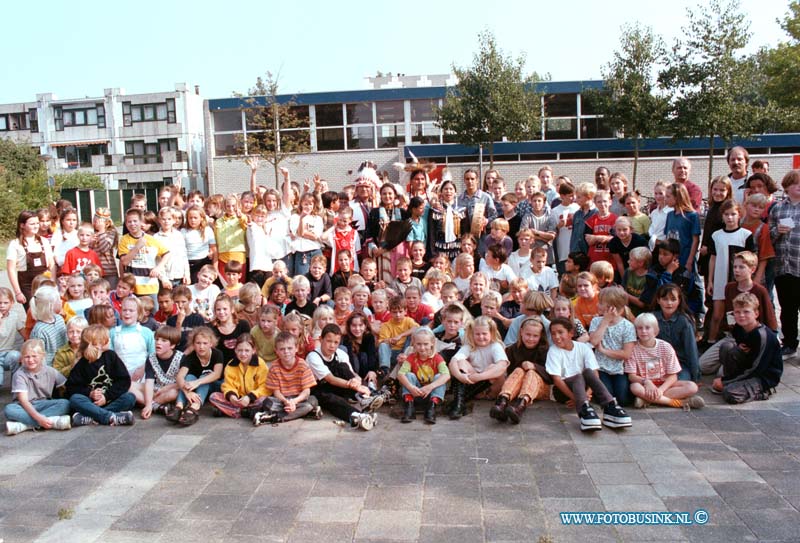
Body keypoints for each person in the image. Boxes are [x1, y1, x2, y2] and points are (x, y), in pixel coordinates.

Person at [546, 317, 631, 431]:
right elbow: (557, 380)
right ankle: (583, 409)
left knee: (587, 372)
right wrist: (578, 399)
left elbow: (595, 373)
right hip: (564, 391)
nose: (556, 337)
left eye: (560, 332)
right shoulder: (553, 351)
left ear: (571, 333)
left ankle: (609, 406)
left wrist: (586, 394)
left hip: (583, 390)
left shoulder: (583, 347)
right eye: (553, 334)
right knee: (578, 376)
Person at [306, 324, 378, 430]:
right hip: (320, 389)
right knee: (332, 399)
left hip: (340, 386)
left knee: (342, 366)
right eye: (329, 341)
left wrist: (357, 381)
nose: (332, 346)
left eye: (336, 342)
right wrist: (355, 386)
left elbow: (350, 373)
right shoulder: (313, 356)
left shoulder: (340, 353)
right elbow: (331, 379)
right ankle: (357, 416)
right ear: (321, 339)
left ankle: (364, 397)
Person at [713, 293, 783, 404]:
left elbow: (757, 368)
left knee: (730, 393)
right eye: (737, 312)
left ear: (756, 314)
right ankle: (734, 382)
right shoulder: (739, 327)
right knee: (727, 347)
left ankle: (764, 391)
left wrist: (725, 381)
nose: (741, 315)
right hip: (746, 367)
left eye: (746, 312)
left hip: (762, 375)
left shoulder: (762, 336)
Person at [626, 313, 705, 409]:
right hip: (645, 385)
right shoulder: (633, 348)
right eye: (640, 328)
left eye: (647, 328)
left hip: (664, 383)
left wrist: (661, 390)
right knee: (634, 387)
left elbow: (673, 376)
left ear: (656, 330)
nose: (643, 331)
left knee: (692, 386)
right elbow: (631, 376)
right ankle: (677, 402)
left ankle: (647, 400)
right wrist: (646, 382)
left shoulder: (666, 347)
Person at [66, 324, 136, 427]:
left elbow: (124, 381)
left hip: (109, 399)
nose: (109, 340)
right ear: (100, 343)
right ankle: (110, 417)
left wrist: (106, 397)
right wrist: (90, 393)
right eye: (107, 339)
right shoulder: (83, 363)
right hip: (90, 402)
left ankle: (92, 417)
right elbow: (71, 387)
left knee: (130, 398)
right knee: (75, 399)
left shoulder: (111, 356)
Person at [491, 316, 551, 424]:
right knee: (519, 370)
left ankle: (520, 406)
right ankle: (502, 402)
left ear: (540, 336)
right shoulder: (513, 349)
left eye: (535, 336)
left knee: (531, 372)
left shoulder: (545, 350)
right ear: (521, 332)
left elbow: (551, 375)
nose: (531, 338)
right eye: (528, 334)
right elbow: (508, 372)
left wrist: (534, 366)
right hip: (516, 389)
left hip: (538, 388)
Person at [4, 339, 71, 435]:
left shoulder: (50, 371)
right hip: (23, 406)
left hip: (44, 403)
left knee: (65, 404)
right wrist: (39, 418)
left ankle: (25, 425)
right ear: (21, 358)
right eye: (27, 357)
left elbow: (66, 386)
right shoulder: (19, 375)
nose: (30, 360)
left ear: (42, 356)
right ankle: (52, 422)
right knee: (9, 410)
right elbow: (23, 401)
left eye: (34, 356)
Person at [447, 316, 509, 419]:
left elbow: (502, 366)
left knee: (494, 367)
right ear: (472, 334)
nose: (481, 337)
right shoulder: (469, 346)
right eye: (477, 334)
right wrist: (459, 376)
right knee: (461, 362)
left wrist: (479, 377)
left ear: (491, 333)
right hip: (473, 384)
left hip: (492, 387)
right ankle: (459, 404)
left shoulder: (495, 346)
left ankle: (459, 401)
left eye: (484, 334)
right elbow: (453, 362)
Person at [253, 331, 320, 425]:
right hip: (282, 400)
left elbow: (306, 391)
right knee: (267, 403)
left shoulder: (303, 365)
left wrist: (294, 401)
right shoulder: (274, 367)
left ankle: (276, 417)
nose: (286, 352)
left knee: (312, 402)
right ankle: (304, 413)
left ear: (296, 348)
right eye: (282, 349)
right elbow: (276, 392)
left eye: (289, 348)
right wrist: (286, 402)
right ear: (276, 350)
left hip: (299, 399)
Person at [769, 170, 800, 359]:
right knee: (787, 307)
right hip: (783, 266)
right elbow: (769, 236)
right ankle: (789, 342)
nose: (799, 186)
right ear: (787, 186)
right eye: (795, 183)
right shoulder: (777, 209)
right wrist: (777, 231)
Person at [588, 286, 636, 407]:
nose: (598, 305)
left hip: (619, 369)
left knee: (622, 399)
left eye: (601, 303)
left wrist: (603, 350)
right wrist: (605, 321)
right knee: (607, 397)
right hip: (601, 368)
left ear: (611, 307)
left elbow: (626, 354)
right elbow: (594, 341)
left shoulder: (628, 326)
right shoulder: (596, 321)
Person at [167, 327, 224, 426]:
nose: (201, 347)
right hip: (194, 389)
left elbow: (217, 374)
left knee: (204, 375)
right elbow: (180, 377)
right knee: (189, 377)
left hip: (213, 386)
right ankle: (179, 406)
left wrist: (198, 382)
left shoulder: (217, 354)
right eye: (198, 343)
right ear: (193, 344)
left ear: (211, 344)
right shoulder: (190, 357)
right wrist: (187, 392)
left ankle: (194, 407)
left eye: (205, 343)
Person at [208, 334, 270, 419]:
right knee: (213, 396)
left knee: (265, 401)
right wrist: (232, 396)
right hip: (238, 399)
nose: (243, 354)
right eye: (240, 350)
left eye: (247, 350)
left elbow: (265, 387)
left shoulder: (260, 364)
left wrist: (250, 397)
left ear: (253, 350)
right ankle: (245, 412)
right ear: (235, 351)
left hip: (254, 398)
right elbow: (228, 385)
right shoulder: (231, 365)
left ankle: (230, 410)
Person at [397, 327, 450, 424]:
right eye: (419, 344)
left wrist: (430, 387)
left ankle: (432, 408)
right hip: (415, 392)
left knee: (440, 376)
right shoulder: (411, 357)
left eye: (425, 344)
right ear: (414, 344)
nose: (422, 347)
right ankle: (409, 406)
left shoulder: (437, 358)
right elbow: (400, 374)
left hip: (432, 393)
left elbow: (447, 375)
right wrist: (410, 387)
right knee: (408, 375)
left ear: (432, 343)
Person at [118, 208, 171, 299]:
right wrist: (137, 247)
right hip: (132, 287)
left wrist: (158, 268)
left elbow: (167, 253)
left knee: (152, 312)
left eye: (135, 221)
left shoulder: (151, 239)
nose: (132, 224)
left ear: (141, 222)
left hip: (150, 286)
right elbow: (124, 262)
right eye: (129, 222)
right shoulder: (124, 240)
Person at [7, 210, 55, 307]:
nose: (36, 226)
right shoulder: (15, 244)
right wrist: (18, 292)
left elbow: (51, 264)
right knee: (32, 313)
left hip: (44, 282)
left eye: (37, 223)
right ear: (22, 225)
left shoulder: (44, 241)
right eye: (32, 224)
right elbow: (11, 269)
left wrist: (53, 282)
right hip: (26, 285)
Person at [141, 326, 183, 419]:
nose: (158, 342)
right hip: (157, 388)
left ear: (172, 345)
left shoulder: (181, 358)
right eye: (157, 339)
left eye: (164, 340)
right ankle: (155, 406)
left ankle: (150, 405)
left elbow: (183, 382)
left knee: (174, 393)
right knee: (130, 385)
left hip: (172, 388)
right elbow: (149, 382)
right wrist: (148, 403)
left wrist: (166, 388)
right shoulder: (151, 358)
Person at [378, 295, 417, 374]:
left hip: (405, 351)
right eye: (395, 312)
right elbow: (381, 341)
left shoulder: (408, 321)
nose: (398, 315)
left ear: (405, 311)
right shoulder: (386, 325)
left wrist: (401, 335)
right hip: (393, 353)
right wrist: (390, 340)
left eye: (400, 312)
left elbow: (417, 328)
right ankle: (384, 368)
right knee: (383, 345)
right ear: (390, 312)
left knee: (412, 335)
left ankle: (405, 359)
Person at [29, 286, 67, 367]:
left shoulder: (59, 319)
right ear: (51, 305)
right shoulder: (39, 331)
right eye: (59, 299)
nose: (61, 301)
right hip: (50, 367)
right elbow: (39, 356)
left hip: (64, 360)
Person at [182, 205, 217, 283]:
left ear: (201, 218)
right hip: (189, 264)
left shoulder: (207, 230)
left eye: (195, 218)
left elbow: (214, 250)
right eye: (190, 218)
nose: (193, 220)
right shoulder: (183, 231)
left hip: (203, 263)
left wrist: (215, 268)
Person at [458, 168, 497, 235]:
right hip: (464, 237)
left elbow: (494, 216)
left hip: (482, 236)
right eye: (467, 179)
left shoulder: (485, 197)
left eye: (472, 179)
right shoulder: (459, 199)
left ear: (477, 180)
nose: (470, 181)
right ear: (464, 181)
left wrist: (486, 221)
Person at [0, 287, 25, 386]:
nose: (2, 306)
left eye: (5, 303)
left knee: (16, 355)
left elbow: (25, 334)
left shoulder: (14, 316)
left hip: (7, 354)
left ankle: (16, 387)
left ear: (11, 303)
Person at [91, 207, 119, 289]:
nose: (96, 223)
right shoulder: (90, 232)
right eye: (95, 220)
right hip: (94, 271)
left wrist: (101, 231)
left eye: (99, 221)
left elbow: (104, 248)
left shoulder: (111, 232)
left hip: (109, 271)